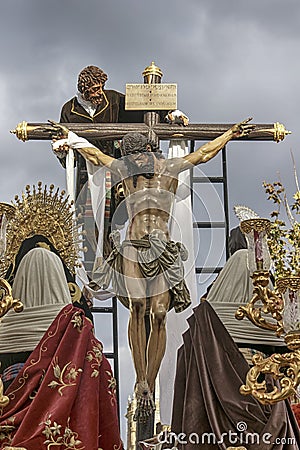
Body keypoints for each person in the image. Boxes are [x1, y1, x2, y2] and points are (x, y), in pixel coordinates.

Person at [51, 117, 255, 419]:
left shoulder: (170, 171)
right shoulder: (124, 172)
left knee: (159, 314)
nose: (135, 161)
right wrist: (71, 137)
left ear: (150, 151)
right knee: (138, 308)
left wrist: (230, 134)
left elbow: (203, 154)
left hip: (163, 251)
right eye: (130, 157)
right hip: (133, 249)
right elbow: (94, 155)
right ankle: (140, 380)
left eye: (139, 155)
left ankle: (151, 377)